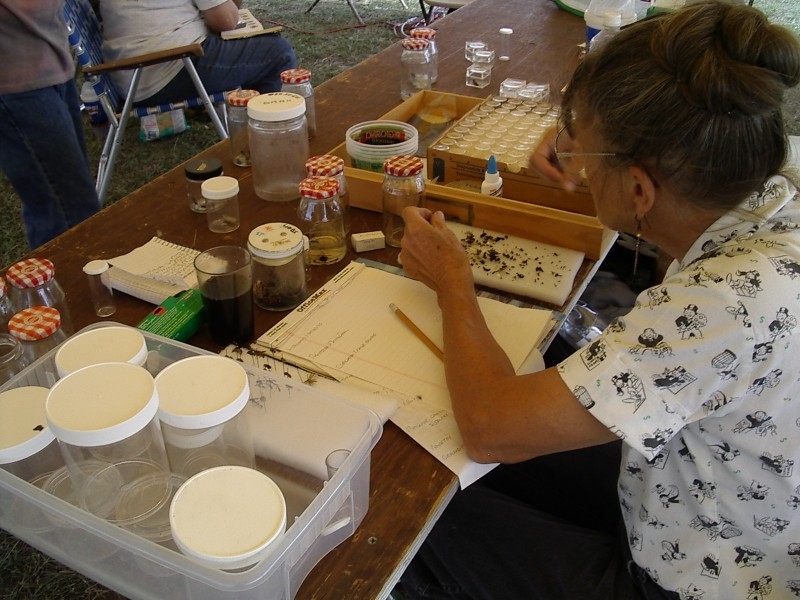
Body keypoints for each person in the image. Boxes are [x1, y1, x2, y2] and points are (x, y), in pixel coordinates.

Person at [396, 1, 800, 598]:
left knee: (413, 514)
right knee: (457, 460)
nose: (575, 166)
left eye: (586, 158)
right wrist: (578, 137)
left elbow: (490, 426)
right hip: (699, 487)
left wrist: (453, 282)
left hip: (690, 578)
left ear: (639, 187)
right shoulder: (760, 165)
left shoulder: (717, 308)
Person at [0, 0, 101, 250]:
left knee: (68, 202)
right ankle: (72, 286)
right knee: (66, 211)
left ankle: (67, 284)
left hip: (49, 69)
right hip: (17, 86)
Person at [99, 0, 296, 106]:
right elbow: (226, 20)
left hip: (131, 74)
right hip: (166, 70)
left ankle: (245, 113)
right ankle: (269, 128)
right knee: (278, 53)